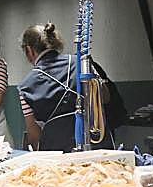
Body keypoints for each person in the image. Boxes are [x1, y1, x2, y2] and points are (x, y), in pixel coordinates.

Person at [16, 21, 121, 151]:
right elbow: (105, 97)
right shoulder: (82, 63)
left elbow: (34, 135)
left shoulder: (25, 87)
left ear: (29, 50)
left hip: (55, 154)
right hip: (96, 146)